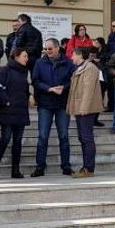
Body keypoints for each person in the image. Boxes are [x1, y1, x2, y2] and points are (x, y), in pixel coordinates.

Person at [31, 38, 75, 177]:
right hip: (45, 104)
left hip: (62, 104)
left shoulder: (68, 63)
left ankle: (66, 166)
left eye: (50, 48)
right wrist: (49, 89)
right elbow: (35, 80)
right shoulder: (39, 62)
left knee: (64, 136)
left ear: (57, 48)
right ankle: (40, 167)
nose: (47, 51)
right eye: (46, 49)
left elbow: (73, 79)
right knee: (43, 136)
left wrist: (64, 88)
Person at [0, 49, 34, 180]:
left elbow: (24, 89)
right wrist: (6, 102)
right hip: (8, 111)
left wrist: (30, 95)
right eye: (25, 56)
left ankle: (15, 170)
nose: (27, 58)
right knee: (5, 139)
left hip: (21, 110)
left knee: (18, 141)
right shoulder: (5, 70)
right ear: (16, 56)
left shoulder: (24, 71)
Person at [67, 47, 104, 177]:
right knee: (82, 137)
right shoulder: (82, 67)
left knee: (87, 138)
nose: (71, 57)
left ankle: (89, 168)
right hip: (80, 108)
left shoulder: (90, 68)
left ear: (80, 55)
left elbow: (88, 90)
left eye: (73, 55)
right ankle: (86, 167)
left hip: (85, 109)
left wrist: (84, 109)